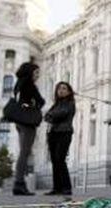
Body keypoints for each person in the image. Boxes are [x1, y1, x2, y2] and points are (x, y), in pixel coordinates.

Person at [13, 62, 45, 196]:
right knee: (24, 153)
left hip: (19, 121)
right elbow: (41, 101)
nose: (38, 75)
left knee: (23, 152)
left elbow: (19, 100)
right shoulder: (30, 85)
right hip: (28, 121)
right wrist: (34, 105)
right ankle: (19, 184)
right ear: (30, 72)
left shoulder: (18, 84)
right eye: (36, 73)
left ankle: (19, 183)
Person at [44, 82, 76, 196]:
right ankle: (57, 188)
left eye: (64, 88)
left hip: (64, 133)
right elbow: (47, 116)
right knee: (54, 161)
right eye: (59, 89)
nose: (61, 91)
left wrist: (52, 116)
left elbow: (61, 114)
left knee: (60, 159)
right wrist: (52, 116)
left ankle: (67, 187)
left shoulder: (70, 103)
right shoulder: (56, 104)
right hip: (53, 133)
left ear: (68, 91)